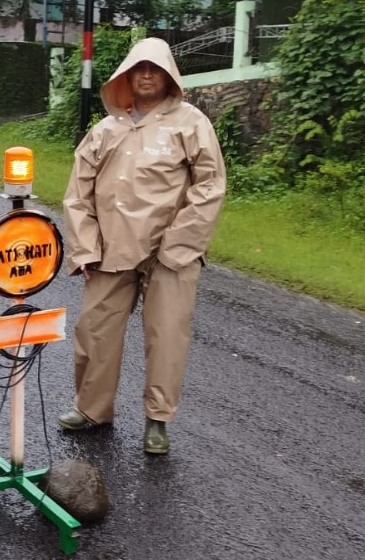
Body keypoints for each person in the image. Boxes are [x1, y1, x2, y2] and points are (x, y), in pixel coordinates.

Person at [58, 37, 226, 455]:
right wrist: (85, 248)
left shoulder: (190, 123)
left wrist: (179, 242)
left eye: (155, 69)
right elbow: (77, 194)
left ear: (168, 75)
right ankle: (92, 409)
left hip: (170, 253)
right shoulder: (105, 130)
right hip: (111, 250)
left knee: (167, 337)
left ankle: (158, 420)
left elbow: (209, 185)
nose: (147, 75)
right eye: (139, 68)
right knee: (94, 331)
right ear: (127, 76)